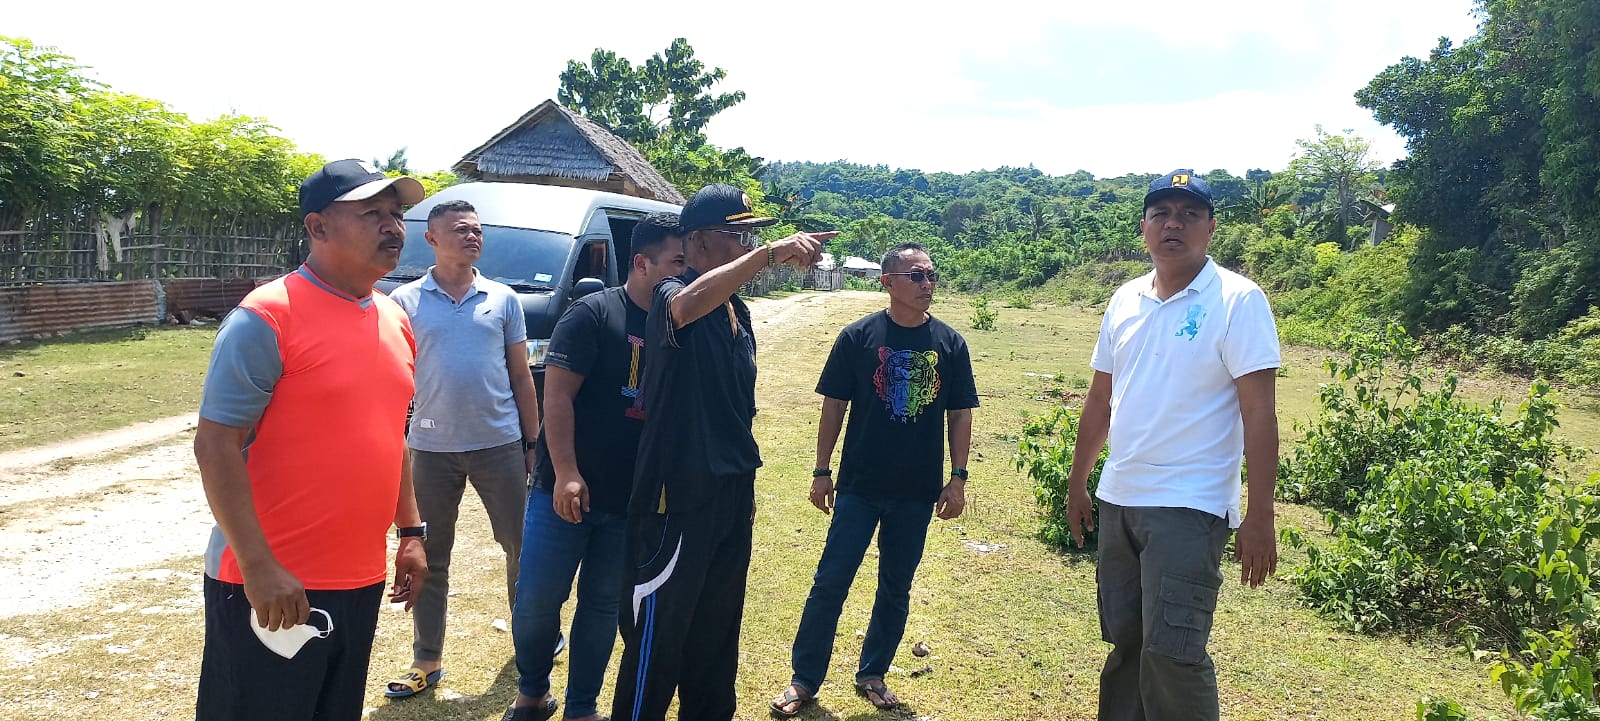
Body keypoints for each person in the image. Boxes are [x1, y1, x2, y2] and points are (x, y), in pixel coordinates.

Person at [192, 158, 428, 721]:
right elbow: (215, 445)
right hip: (275, 586)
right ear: (317, 228)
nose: (392, 227)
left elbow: (389, 432)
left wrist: (411, 530)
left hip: (359, 579)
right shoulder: (267, 317)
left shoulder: (395, 318)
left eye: (396, 214)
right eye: (372, 213)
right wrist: (257, 566)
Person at [610, 184, 833, 721]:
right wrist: (770, 254)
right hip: (678, 498)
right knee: (659, 641)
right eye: (737, 235)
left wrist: (744, 488)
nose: (746, 244)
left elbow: (737, 410)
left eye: (751, 235)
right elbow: (684, 308)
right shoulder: (672, 292)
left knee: (715, 638)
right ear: (697, 244)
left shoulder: (739, 313)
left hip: (729, 492)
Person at [1065, 170, 1281, 721]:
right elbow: (1100, 401)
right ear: (1144, 229)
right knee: (1126, 644)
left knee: (1174, 654)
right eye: (1161, 213)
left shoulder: (1237, 300)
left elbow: (1259, 414)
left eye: (1188, 214)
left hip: (1191, 505)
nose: (1173, 224)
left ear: (1210, 227)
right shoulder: (1125, 299)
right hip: (1120, 499)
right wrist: (1079, 482)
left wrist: (1260, 516)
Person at [770, 243, 979, 716]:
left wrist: (958, 478)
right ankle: (804, 680)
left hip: (917, 490)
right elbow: (834, 407)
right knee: (831, 582)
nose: (928, 284)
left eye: (932, 275)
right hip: (859, 486)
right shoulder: (858, 337)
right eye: (917, 276)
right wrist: (822, 472)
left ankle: (873, 672)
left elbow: (960, 414)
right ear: (887, 282)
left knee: (895, 586)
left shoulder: (950, 343)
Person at [503, 212, 687, 721]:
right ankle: (532, 691)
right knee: (538, 601)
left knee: (603, 609)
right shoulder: (593, 314)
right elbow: (556, 397)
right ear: (642, 263)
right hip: (563, 493)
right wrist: (564, 471)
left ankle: (582, 707)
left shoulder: (680, 327)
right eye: (676, 263)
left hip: (630, 500)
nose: (684, 275)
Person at [381, 199, 543, 698]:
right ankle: (426, 658)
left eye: (477, 230)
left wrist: (532, 442)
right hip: (429, 449)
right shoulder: (404, 303)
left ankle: (533, 642)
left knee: (521, 548)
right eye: (460, 230)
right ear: (431, 239)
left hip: (499, 444)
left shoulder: (503, 299)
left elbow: (521, 375)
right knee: (430, 554)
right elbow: (392, 380)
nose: (472, 237)